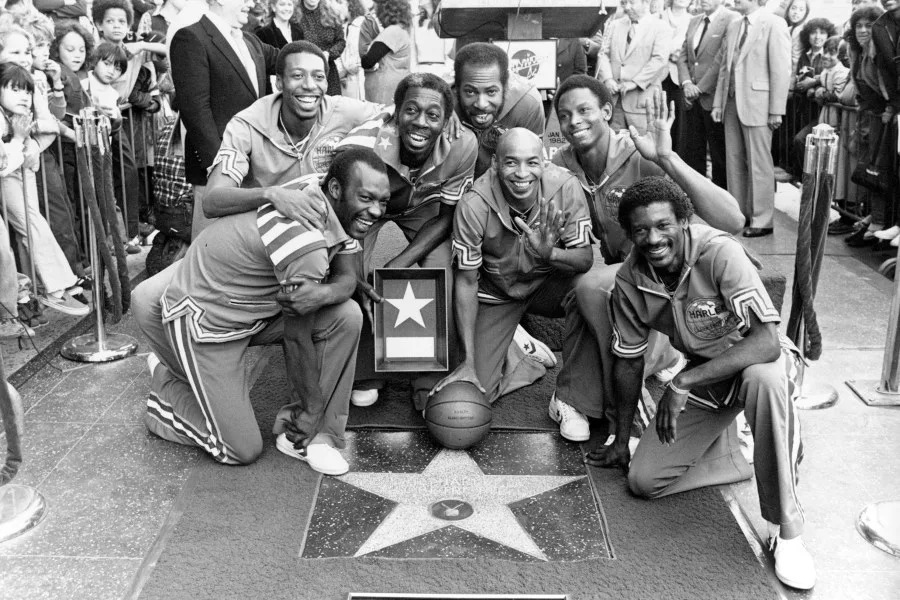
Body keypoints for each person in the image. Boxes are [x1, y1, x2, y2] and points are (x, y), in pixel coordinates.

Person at [587, 175, 815, 592]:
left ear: (684, 221)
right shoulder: (629, 281)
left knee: (764, 380)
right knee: (643, 481)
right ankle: (750, 450)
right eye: (641, 230)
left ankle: (787, 532)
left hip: (754, 361)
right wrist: (621, 438)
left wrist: (682, 382)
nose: (653, 238)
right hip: (710, 376)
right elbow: (627, 361)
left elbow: (764, 343)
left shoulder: (718, 251)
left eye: (663, 226)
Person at [138, 146, 388, 474]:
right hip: (209, 322)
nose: (376, 210)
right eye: (367, 198)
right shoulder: (307, 242)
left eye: (382, 201)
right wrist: (312, 406)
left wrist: (324, 293)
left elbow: (348, 272)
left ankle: (302, 436)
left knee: (346, 316)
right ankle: (166, 392)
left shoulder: (325, 193)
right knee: (240, 449)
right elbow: (297, 340)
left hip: (257, 311)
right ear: (337, 190)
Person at [549, 77, 743, 441]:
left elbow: (733, 220)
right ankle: (585, 392)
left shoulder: (638, 151)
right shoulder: (562, 167)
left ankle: (609, 391)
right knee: (585, 294)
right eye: (564, 115)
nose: (574, 121)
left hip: (668, 275)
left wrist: (666, 158)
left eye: (584, 110)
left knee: (591, 288)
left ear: (607, 111)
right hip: (625, 279)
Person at [336, 72, 478, 410]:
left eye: (433, 115)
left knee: (442, 264)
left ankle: (428, 373)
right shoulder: (361, 147)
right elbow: (343, 220)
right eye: (411, 111)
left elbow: (446, 217)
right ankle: (365, 371)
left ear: (447, 121)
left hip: (423, 207)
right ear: (395, 112)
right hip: (367, 207)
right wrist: (360, 272)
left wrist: (397, 264)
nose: (421, 122)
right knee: (350, 273)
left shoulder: (463, 144)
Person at [432, 128, 593, 405]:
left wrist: (549, 253)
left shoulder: (565, 187)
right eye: (511, 162)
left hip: (548, 285)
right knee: (477, 392)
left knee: (590, 291)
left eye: (531, 162)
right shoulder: (474, 203)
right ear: (495, 163)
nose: (522, 173)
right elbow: (467, 282)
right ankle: (519, 354)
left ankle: (573, 396)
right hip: (499, 292)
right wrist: (469, 362)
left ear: (543, 162)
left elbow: (585, 259)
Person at [169, 0, 278, 240]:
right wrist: (220, 172)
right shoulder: (191, 38)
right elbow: (196, 112)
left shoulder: (251, 41)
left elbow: (289, 59)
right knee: (207, 255)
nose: (252, 3)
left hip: (252, 169)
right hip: (216, 175)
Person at [0, 62, 87, 317]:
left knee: (32, 222)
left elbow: (50, 124)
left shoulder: (17, 116)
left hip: (20, 171)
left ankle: (51, 287)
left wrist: (30, 146)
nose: (24, 96)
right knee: (29, 223)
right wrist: (19, 141)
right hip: (9, 174)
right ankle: (55, 288)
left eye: (27, 91)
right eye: (15, 89)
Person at [712, 0, 791, 238]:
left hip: (759, 104)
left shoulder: (775, 23)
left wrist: (776, 109)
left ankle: (763, 219)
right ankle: (738, 216)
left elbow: (781, 68)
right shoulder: (735, 25)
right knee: (733, 161)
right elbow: (725, 68)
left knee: (759, 163)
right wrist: (718, 103)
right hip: (732, 102)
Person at [453, 42, 545, 179]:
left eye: (491, 92)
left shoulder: (528, 103)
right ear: (457, 88)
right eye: (470, 92)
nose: (481, 104)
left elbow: (532, 167)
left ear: (505, 86)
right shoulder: (443, 100)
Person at [676, 0, 738, 188]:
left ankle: (720, 202)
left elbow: (722, 61)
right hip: (691, 97)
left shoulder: (731, 19)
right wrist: (687, 83)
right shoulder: (695, 20)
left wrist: (700, 88)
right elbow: (683, 56)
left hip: (714, 98)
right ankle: (696, 198)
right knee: (692, 153)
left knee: (719, 156)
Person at [596, 0, 671, 134]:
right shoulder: (614, 25)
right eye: (624, 3)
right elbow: (603, 54)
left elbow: (659, 60)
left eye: (632, 2)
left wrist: (634, 83)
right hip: (614, 100)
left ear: (646, 3)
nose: (627, 7)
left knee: (643, 148)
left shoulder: (661, 27)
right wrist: (607, 79)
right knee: (614, 146)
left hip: (643, 103)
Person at [361, 0, 410, 105]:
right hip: (398, 83)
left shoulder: (391, 32)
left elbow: (368, 61)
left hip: (383, 90)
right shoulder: (402, 30)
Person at [299, 0, 345, 95]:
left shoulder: (331, 12)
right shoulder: (294, 15)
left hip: (329, 73)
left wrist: (329, 53)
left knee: (332, 107)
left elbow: (340, 41)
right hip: (304, 74)